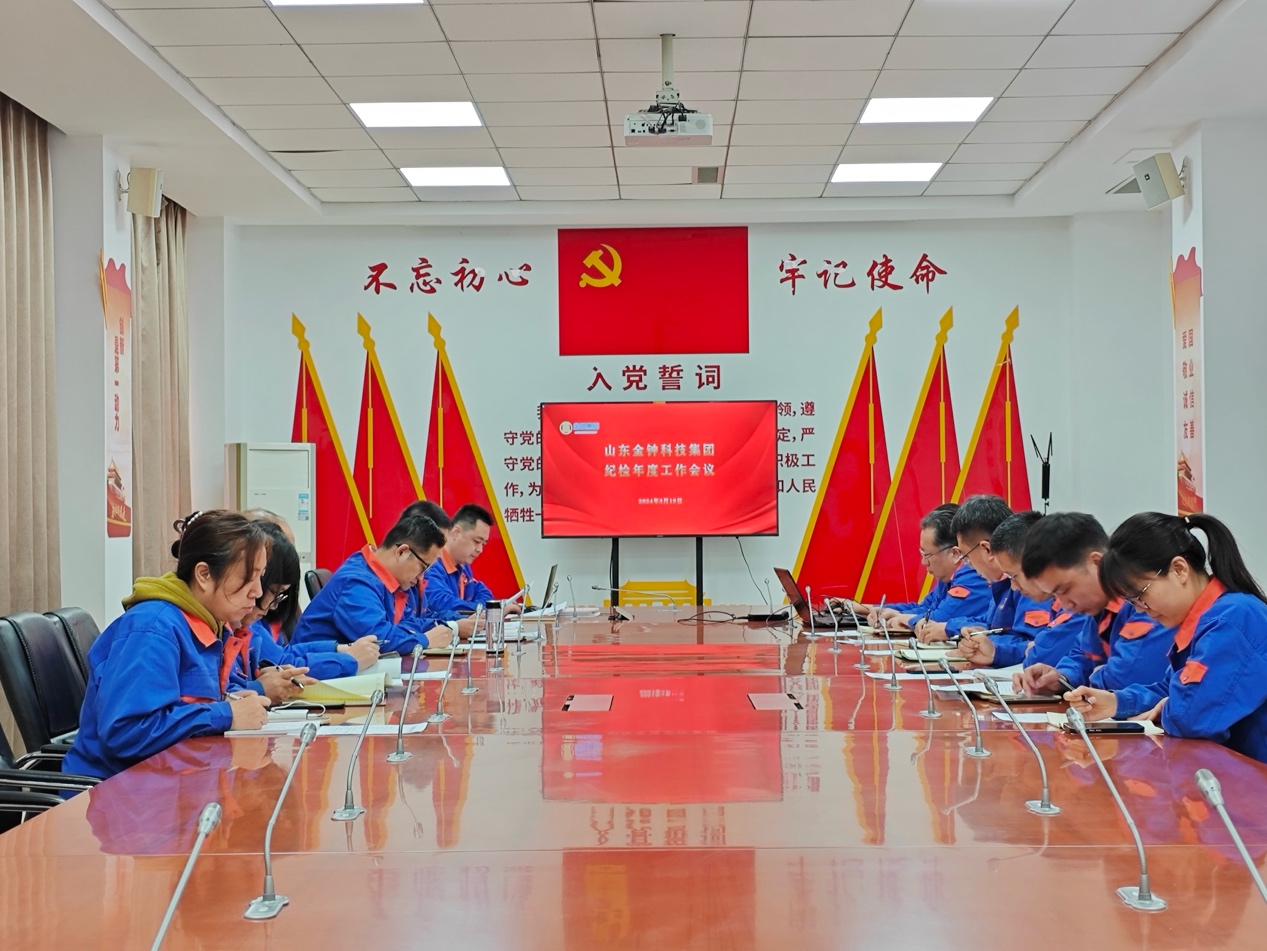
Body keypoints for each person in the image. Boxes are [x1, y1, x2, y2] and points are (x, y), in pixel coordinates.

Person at [64, 511, 274, 781]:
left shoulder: (210, 625)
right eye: (248, 576)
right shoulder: (154, 628)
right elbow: (127, 732)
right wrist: (226, 714)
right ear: (204, 575)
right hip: (122, 790)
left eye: (261, 577)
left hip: (175, 780)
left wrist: (229, 702)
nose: (258, 592)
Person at [1066, 513, 1267, 764]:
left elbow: (1189, 719)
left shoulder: (1232, 619)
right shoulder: (1204, 620)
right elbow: (1170, 689)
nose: (1140, 610)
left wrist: (1170, 707)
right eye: (1131, 601)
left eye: (1140, 595)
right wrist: (1116, 702)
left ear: (1179, 569)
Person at [1013, 512, 1173, 696]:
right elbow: (1083, 654)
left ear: (1097, 563)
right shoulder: (1098, 605)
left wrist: (1089, 680)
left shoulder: (1145, 599)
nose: (1065, 605)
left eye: (1065, 590)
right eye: (1055, 595)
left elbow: (1125, 678)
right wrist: (1061, 678)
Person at [236, 521, 378, 692]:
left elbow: (284, 653)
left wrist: (339, 649)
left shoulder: (255, 619)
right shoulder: (244, 621)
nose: (273, 606)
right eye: (275, 591)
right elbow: (283, 662)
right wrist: (350, 660)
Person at [290, 513, 456, 654]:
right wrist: (425, 640)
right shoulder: (357, 582)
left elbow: (407, 623)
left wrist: (443, 627)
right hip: (316, 673)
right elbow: (379, 639)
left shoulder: (384, 579)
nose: (421, 577)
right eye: (423, 567)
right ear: (402, 552)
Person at [955, 509, 1090, 669]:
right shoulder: (1007, 585)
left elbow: (1039, 654)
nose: (1014, 586)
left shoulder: (1078, 602)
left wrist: (1002, 648)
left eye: (1014, 576)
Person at [853, 504, 993, 639]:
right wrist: (874, 610)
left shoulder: (972, 574)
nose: (924, 562)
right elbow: (925, 608)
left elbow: (940, 618)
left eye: (927, 555)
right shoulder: (948, 578)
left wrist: (905, 619)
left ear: (955, 554)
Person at [424, 503, 522, 620]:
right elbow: (443, 605)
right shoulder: (431, 565)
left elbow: (483, 593)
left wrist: (486, 608)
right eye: (476, 541)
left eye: (483, 544)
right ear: (456, 532)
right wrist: (492, 610)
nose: (480, 550)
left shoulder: (463, 566)